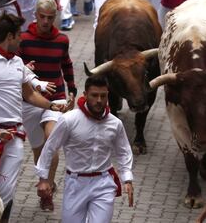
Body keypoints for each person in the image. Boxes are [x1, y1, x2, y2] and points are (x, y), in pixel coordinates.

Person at [0, 12, 64, 218]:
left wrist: (52, 105)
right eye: (18, 35)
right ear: (10, 36)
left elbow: (29, 94)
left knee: (6, 192)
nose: (21, 39)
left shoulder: (18, 63)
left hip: (15, 137)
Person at [36, 75, 134, 222]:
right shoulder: (69, 120)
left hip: (104, 184)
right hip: (75, 184)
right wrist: (43, 179)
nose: (99, 100)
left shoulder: (115, 123)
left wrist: (127, 179)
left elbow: (124, 152)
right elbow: (50, 147)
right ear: (85, 95)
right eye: (94, 95)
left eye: (103, 96)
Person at [18, 0, 76, 211]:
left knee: (52, 143)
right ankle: (44, 179)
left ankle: (47, 187)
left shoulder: (62, 40)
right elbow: (15, 65)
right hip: (31, 101)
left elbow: (67, 65)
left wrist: (73, 90)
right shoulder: (23, 39)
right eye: (42, 17)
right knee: (38, 149)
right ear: (35, 15)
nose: (45, 22)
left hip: (57, 98)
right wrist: (26, 68)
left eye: (50, 18)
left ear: (55, 17)